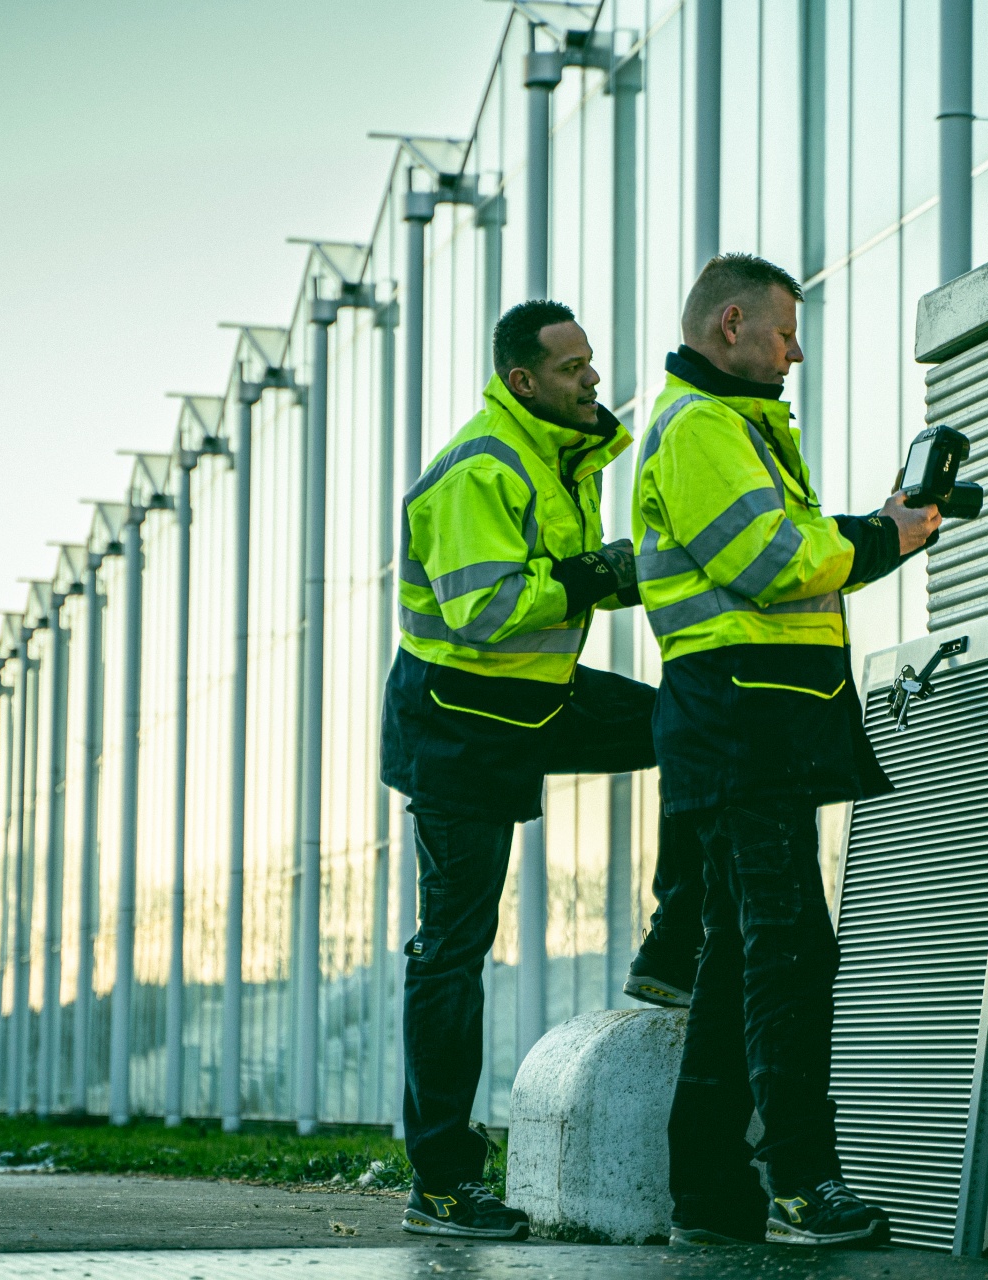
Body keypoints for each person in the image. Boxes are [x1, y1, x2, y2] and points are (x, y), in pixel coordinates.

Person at [631, 253, 940, 1248]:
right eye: (784, 330)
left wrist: (877, 528)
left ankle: (711, 1197)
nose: (796, 349)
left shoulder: (738, 428)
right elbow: (776, 563)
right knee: (793, 949)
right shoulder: (705, 430)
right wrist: (885, 536)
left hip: (752, 726)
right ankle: (804, 1183)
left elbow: (797, 557)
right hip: (743, 728)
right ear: (731, 324)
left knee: (737, 962)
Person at [383, 299, 674, 1240]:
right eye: (573, 366)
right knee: (453, 947)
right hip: (461, 725)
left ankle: (676, 942)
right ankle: (440, 1181)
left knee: (695, 726)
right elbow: (487, 610)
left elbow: (558, 582)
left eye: (591, 361)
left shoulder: (559, 455)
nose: (593, 377)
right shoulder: (481, 467)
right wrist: (599, 574)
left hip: (536, 698)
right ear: (522, 381)